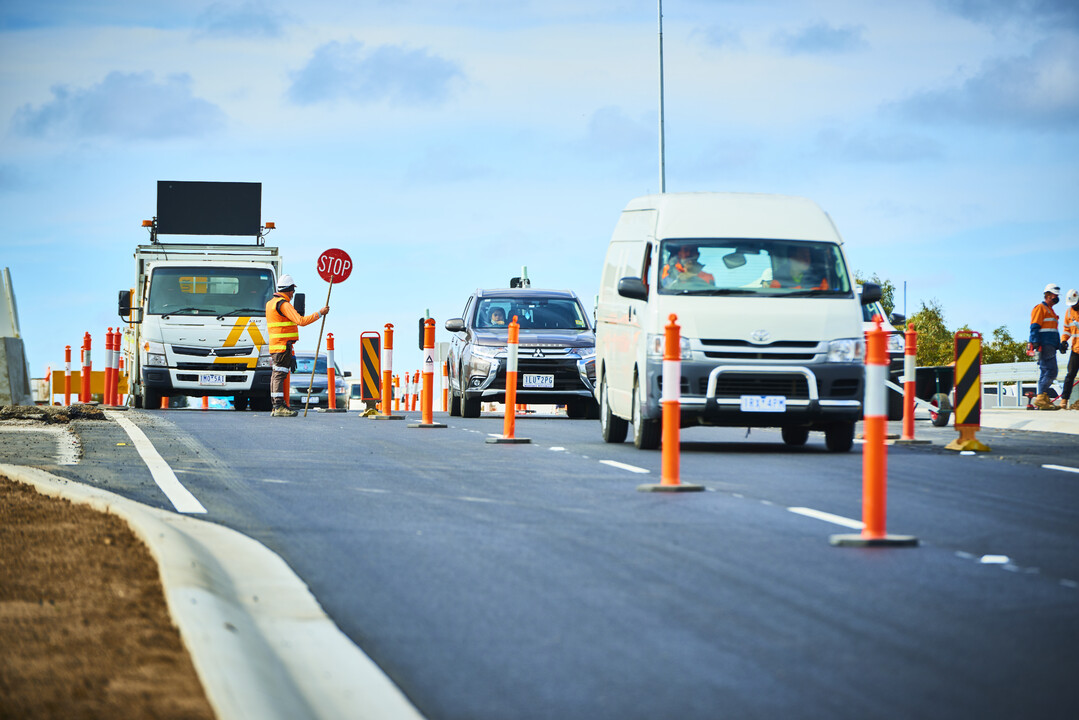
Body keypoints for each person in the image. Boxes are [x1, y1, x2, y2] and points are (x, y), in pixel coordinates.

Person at [265, 274, 329, 417]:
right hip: (282, 347)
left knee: (276, 375)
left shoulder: (270, 303)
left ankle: (276, 406)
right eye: (293, 290)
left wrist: (292, 353)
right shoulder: (284, 304)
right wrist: (320, 313)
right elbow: (301, 321)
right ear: (289, 290)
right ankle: (279, 406)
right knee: (279, 375)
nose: (293, 293)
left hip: (277, 346)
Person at [1028, 282, 1062, 410]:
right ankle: (1041, 397)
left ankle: (1043, 398)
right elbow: (1034, 326)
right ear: (1048, 295)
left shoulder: (1051, 311)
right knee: (1051, 371)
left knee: (1045, 371)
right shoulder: (1040, 308)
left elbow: (1053, 330)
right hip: (1044, 344)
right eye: (1055, 295)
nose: (1056, 297)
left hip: (1050, 345)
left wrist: (1059, 345)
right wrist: (1035, 341)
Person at [1059, 288, 1079, 410]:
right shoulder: (1069, 313)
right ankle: (1064, 400)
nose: (1074, 306)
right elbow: (1066, 329)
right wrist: (1063, 341)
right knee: (1070, 375)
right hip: (1076, 349)